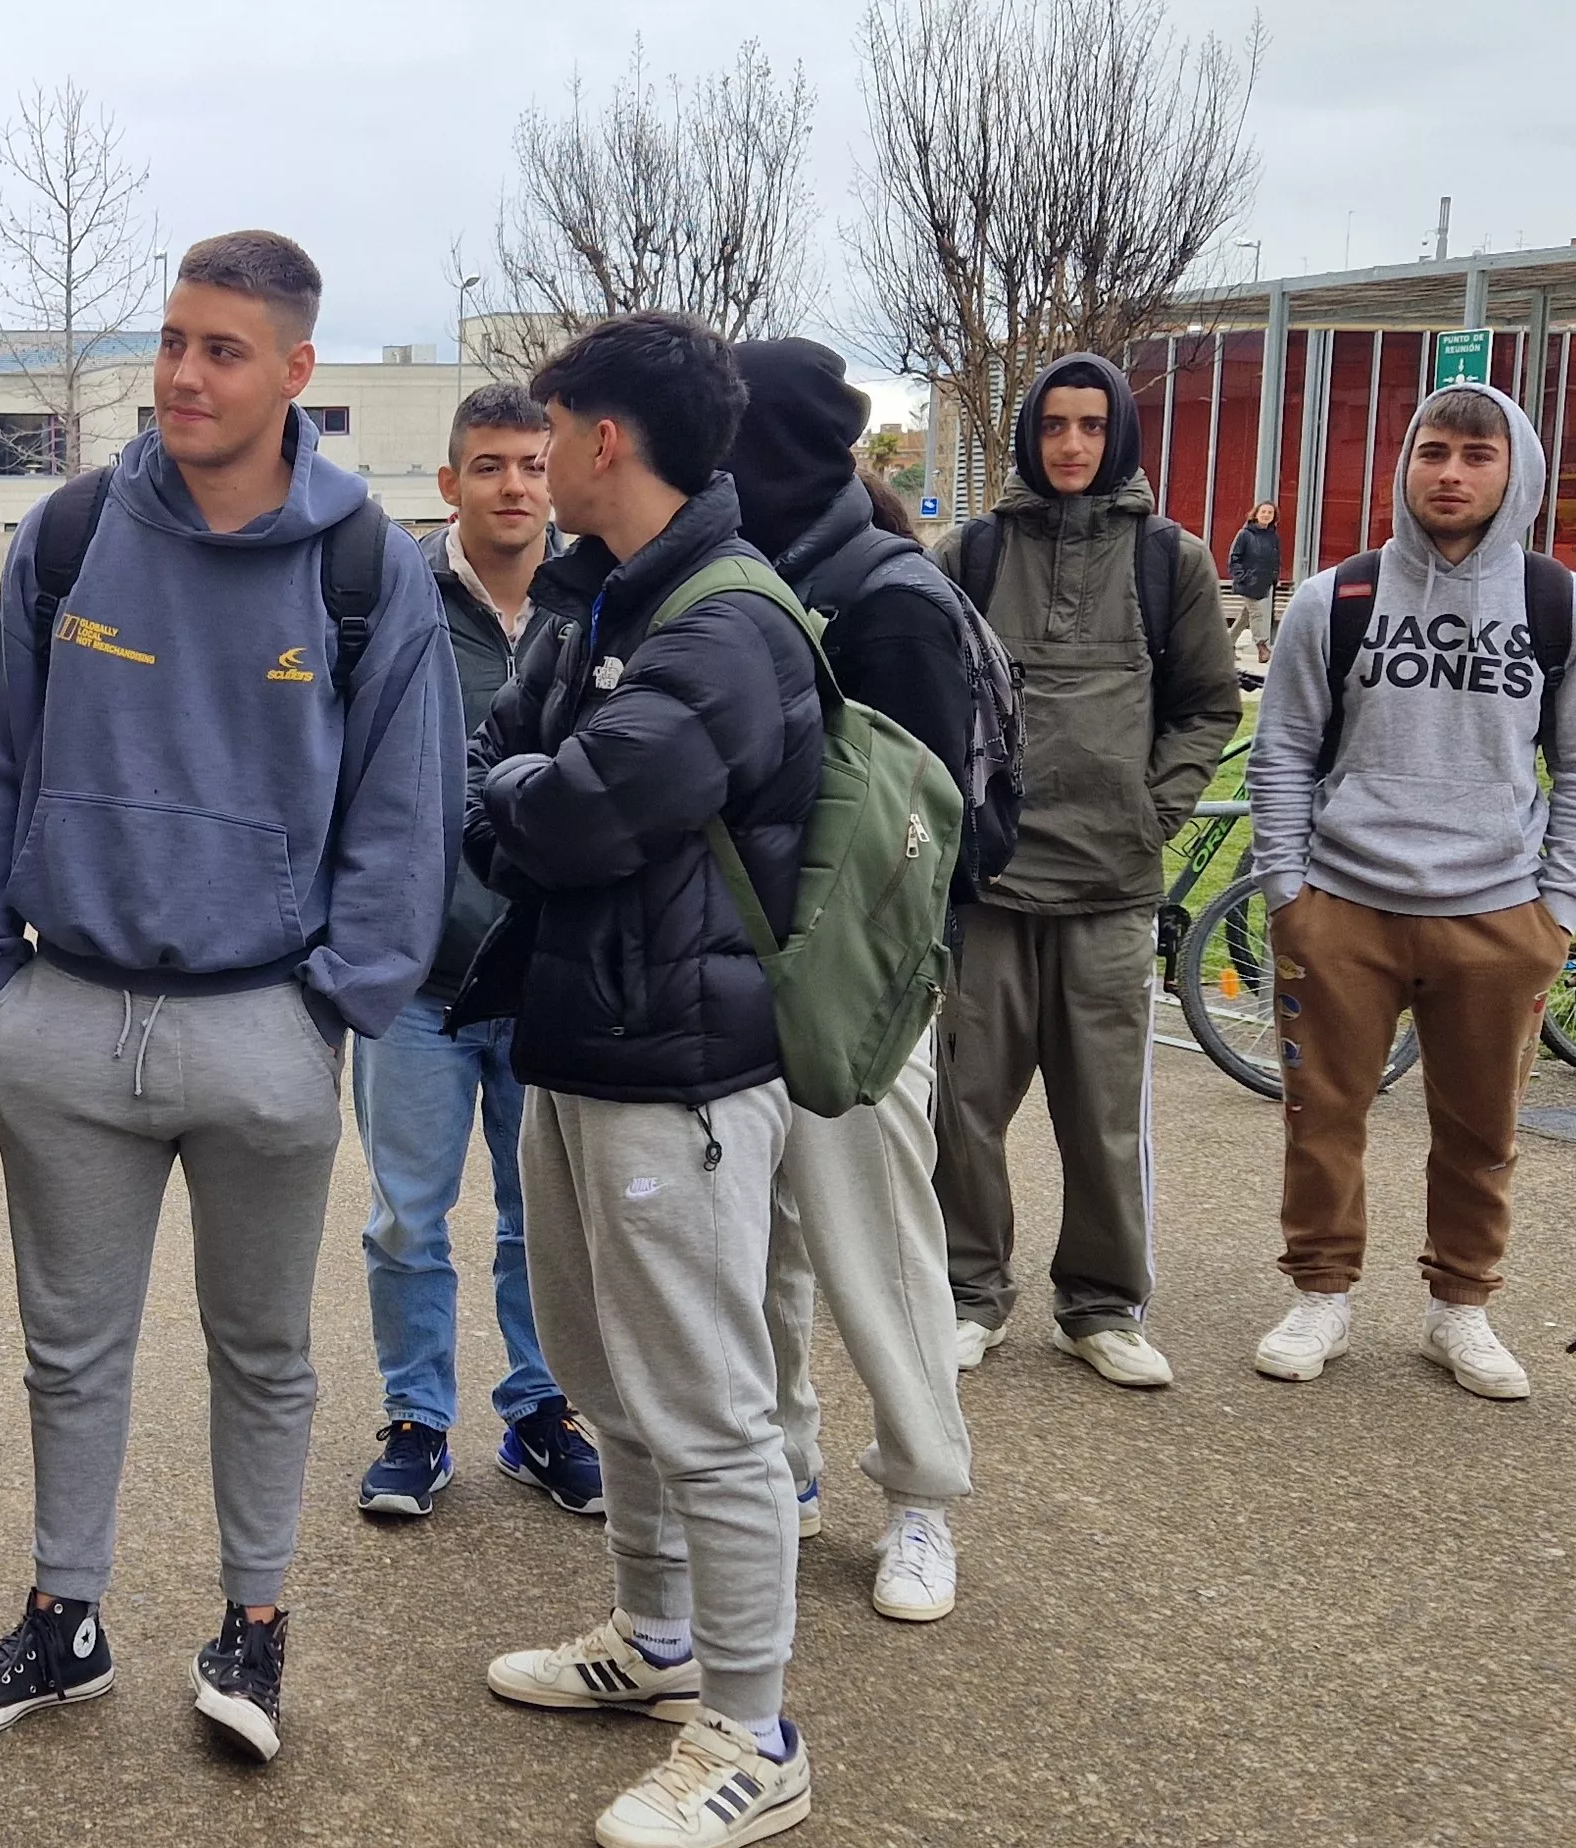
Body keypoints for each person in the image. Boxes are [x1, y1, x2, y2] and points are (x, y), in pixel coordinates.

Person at [0, 230, 458, 1763]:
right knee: (67, 1350)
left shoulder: (367, 572)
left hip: (263, 1026)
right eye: (170, 341)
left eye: (223, 349)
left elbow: (405, 819)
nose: (182, 373)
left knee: (265, 1352)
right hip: (67, 1013)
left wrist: (332, 1007)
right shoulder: (73, 534)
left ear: (295, 370)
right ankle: (64, 1620)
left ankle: (253, 1629)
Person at [461, 311, 823, 1848]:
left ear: (606, 438)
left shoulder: (723, 623)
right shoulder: (600, 597)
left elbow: (566, 813)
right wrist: (531, 783)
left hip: (678, 1065)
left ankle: (753, 1730)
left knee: (708, 1402)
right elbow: (511, 764)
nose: (535, 458)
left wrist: (529, 786)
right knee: (607, 1373)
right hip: (587, 1040)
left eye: (551, 430)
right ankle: (653, 1644)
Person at [1240, 383, 1576, 1401]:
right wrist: (1288, 890)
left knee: (1479, 1128)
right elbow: (1278, 753)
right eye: (1431, 451)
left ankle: (1460, 1305)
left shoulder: (1563, 606)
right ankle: (1320, 1290)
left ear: (1514, 473)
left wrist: (1556, 911)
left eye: (1474, 454)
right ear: (1404, 465)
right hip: (1342, 907)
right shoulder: (1336, 599)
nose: (1449, 472)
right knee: (1320, 1115)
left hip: (1496, 914)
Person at [720, 337, 979, 1625]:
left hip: (857, 994)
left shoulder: (884, 597)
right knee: (756, 1254)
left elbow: (933, 835)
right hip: (736, 971)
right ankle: (785, 1470)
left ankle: (923, 1499)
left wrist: (885, 1002)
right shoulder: (743, 571)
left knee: (875, 1247)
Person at [932, 353, 1238, 1389]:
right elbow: (918, 694)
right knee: (965, 1107)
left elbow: (1206, 706)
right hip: (993, 889)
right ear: (1028, 434)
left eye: (1092, 426)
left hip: (1110, 889)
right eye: (1054, 425)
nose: (1072, 445)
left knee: (1103, 1117)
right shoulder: (969, 553)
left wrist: (1151, 814)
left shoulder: (1170, 559)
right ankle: (968, 1293)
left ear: (1119, 437)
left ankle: (1100, 1307)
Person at [349, 382, 601, 1522]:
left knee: (537, 1219)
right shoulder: (394, 597)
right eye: (490, 466)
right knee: (407, 1214)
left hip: (545, 976)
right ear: (449, 482)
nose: (515, 487)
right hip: (417, 978)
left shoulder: (595, 604)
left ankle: (538, 1411)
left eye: (533, 466)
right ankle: (415, 1418)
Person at [1230, 502, 1284, 666]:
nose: (1266, 515)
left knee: (1246, 615)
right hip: (1247, 582)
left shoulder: (1273, 536)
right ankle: (1262, 645)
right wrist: (1243, 576)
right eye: (1263, 511)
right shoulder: (1245, 534)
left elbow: (1275, 559)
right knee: (1257, 613)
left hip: (1263, 583)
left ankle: (1226, 645)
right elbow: (1234, 558)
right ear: (1256, 514)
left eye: (1270, 512)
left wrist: (1274, 577)